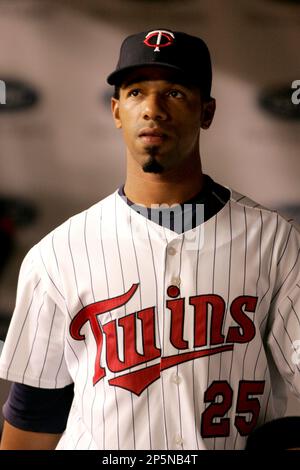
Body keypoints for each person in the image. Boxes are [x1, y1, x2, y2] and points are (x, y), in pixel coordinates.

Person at [0, 28, 300, 451]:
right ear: (117, 110)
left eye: (174, 92)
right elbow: (34, 418)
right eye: (137, 91)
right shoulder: (58, 254)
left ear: (207, 111)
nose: (153, 109)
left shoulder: (274, 242)